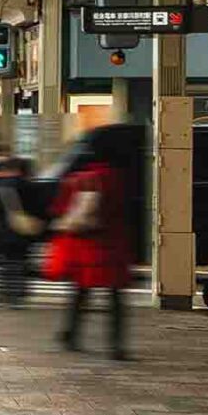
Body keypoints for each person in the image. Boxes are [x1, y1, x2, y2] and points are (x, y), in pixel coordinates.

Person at [46, 126, 136, 361]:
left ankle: (71, 333)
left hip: (84, 244)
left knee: (81, 290)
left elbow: (59, 209)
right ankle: (116, 344)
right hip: (112, 243)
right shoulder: (118, 177)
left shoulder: (78, 179)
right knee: (116, 296)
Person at [0, 154, 45, 305]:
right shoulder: (30, 185)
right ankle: (18, 295)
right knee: (21, 261)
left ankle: (3, 294)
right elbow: (38, 208)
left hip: (2, 229)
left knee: (4, 263)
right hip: (23, 229)